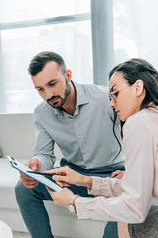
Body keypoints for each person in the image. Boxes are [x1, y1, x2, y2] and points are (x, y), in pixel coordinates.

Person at [15, 51, 125, 238]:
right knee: (23, 188)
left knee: (126, 204)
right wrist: (36, 164)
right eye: (40, 89)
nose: (48, 95)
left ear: (68, 75)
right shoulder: (42, 113)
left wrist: (130, 170)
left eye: (52, 84)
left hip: (111, 175)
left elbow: (138, 137)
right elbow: (44, 154)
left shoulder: (105, 99)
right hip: (72, 176)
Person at [45, 58, 158, 238]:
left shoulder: (139, 123)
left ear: (138, 87)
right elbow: (135, 189)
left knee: (126, 221)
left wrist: (74, 202)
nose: (111, 104)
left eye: (116, 94)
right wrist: (85, 180)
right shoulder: (151, 117)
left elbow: (134, 208)